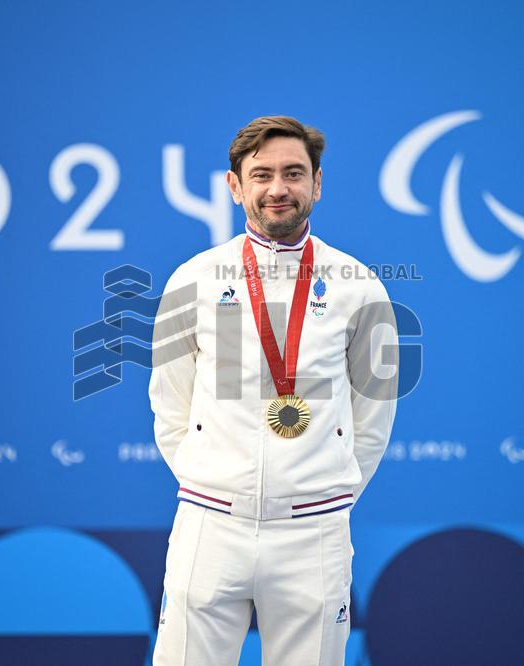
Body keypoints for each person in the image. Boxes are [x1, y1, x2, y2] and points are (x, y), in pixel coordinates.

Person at [149, 115, 398, 665]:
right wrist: (213, 484)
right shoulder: (192, 279)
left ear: (317, 184)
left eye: (293, 173)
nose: (278, 188)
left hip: (313, 535)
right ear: (235, 185)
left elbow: (373, 417)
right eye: (261, 175)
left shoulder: (361, 287)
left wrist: (320, 497)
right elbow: (170, 407)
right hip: (210, 526)